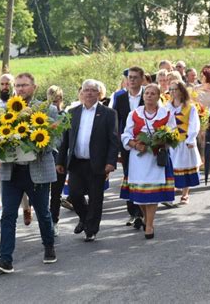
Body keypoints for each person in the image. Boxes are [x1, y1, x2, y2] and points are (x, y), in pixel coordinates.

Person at [0, 73, 58, 274]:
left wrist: (34, 145)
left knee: (43, 213)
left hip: (37, 170)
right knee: (8, 215)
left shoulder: (48, 110)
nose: (20, 89)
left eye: (24, 85)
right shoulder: (3, 113)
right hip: (11, 172)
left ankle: (49, 245)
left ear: (34, 87)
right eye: (17, 85)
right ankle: (5, 259)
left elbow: (54, 141)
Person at [56, 79, 118, 242]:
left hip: (97, 163)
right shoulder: (72, 112)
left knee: (96, 198)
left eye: (93, 90)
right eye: (86, 90)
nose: (89, 93)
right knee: (75, 195)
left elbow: (113, 140)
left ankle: (91, 230)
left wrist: (111, 162)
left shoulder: (108, 113)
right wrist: (60, 161)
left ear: (99, 94)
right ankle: (84, 218)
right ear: (81, 93)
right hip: (76, 162)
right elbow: (65, 139)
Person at [120, 84, 176, 239]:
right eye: (147, 94)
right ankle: (146, 218)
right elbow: (125, 135)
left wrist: (163, 140)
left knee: (152, 194)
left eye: (153, 94)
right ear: (143, 96)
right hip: (138, 159)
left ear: (158, 97)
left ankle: (149, 225)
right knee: (140, 196)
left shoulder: (166, 114)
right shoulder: (134, 114)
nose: (149, 96)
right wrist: (135, 144)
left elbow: (173, 134)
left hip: (156, 159)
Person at [0, 74, 32, 226]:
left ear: (13, 85)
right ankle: (8, 213)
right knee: (7, 181)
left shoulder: (21, 102)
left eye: (7, 84)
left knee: (24, 181)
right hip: (3, 146)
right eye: (2, 84)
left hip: (21, 146)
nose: (4, 87)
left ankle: (27, 208)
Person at [112, 66, 145, 228]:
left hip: (145, 143)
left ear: (142, 79)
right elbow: (114, 119)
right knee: (128, 175)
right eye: (129, 77)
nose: (131, 80)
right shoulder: (119, 97)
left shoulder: (149, 94)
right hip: (126, 144)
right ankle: (133, 212)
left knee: (143, 175)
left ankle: (143, 211)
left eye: (135, 77)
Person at [166, 81, 201, 204]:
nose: (173, 92)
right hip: (172, 143)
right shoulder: (167, 106)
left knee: (185, 168)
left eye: (175, 89)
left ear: (181, 90)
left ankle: (185, 194)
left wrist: (191, 139)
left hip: (185, 142)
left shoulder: (189, 107)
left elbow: (194, 124)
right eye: (171, 89)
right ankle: (170, 196)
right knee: (172, 169)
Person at [47, 85, 67, 237]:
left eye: (58, 100)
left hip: (60, 159)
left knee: (56, 193)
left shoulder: (65, 116)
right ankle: (46, 220)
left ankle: (54, 221)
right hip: (46, 159)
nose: (55, 103)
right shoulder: (43, 117)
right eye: (52, 100)